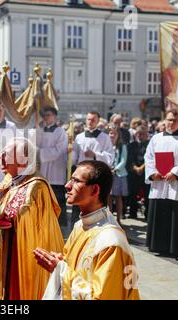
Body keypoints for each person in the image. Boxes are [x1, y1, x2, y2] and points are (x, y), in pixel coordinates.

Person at [0, 138, 65, 300]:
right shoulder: (16, 179)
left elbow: (12, 212)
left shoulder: (35, 186)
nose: (1, 158)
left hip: (30, 249)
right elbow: (6, 205)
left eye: (7, 154)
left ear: (23, 161)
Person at [34, 160, 140, 300]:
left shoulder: (111, 242)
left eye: (76, 181)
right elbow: (72, 266)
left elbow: (102, 296)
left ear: (95, 190)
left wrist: (60, 269)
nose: (67, 186)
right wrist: (59, 262)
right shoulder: (80, 226)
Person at [145, 110, 178, 262]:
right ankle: (161, 246)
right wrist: (153, 172)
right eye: (169, 120)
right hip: (160, 183)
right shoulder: (156, 138)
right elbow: (148, 157)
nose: (171, 123)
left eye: (175, 120)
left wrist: (176, 172)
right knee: (162, 212)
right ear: (164, 120)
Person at [71, 111, 114, 226]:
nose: (90, 122)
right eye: (89, 119)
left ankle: (99, 225)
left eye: (93, 120)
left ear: (98, 121)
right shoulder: (79, 137)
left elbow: (110, 157)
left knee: (96, 202)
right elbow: (74, 158)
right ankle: (77, 227)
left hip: (97, 177)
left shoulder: (104, 137)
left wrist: (95, 155)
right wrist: (70, 152)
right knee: (79, 201)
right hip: (81, 176)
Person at [37, 106, 69, 228]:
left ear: (55, 117)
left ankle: (58, 225)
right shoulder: (40, 130)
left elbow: (60, 150)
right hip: (43, 170)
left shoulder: (60, 132)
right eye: (45, 115)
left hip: (56, 171)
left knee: (57, 199)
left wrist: (40, 153)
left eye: (49, 115)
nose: (46, 117)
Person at [127, 126, 150, 219]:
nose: (140, 136)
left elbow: (150, 158)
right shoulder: (131, 145)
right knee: (133, 194)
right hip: (134, 173)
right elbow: (129, 158)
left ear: (147, 135)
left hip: (146, 173)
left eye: (143, 134)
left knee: (147, 195)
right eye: (139, 134)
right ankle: (133, 213)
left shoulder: (150, 144)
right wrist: (136, 168)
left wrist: (142, 167)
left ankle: (147, 214)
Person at [108, 126, 128, 225]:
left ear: (118, 135)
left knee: (118, 197)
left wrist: (115, 169)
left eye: (114, 134)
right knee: (109, 197)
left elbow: (123, 160)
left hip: (118, 174)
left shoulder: (122, 146)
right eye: (110, 133)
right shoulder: (107, 146)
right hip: (108, 173)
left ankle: (119, 219)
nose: (112, 135)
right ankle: (109, 218)